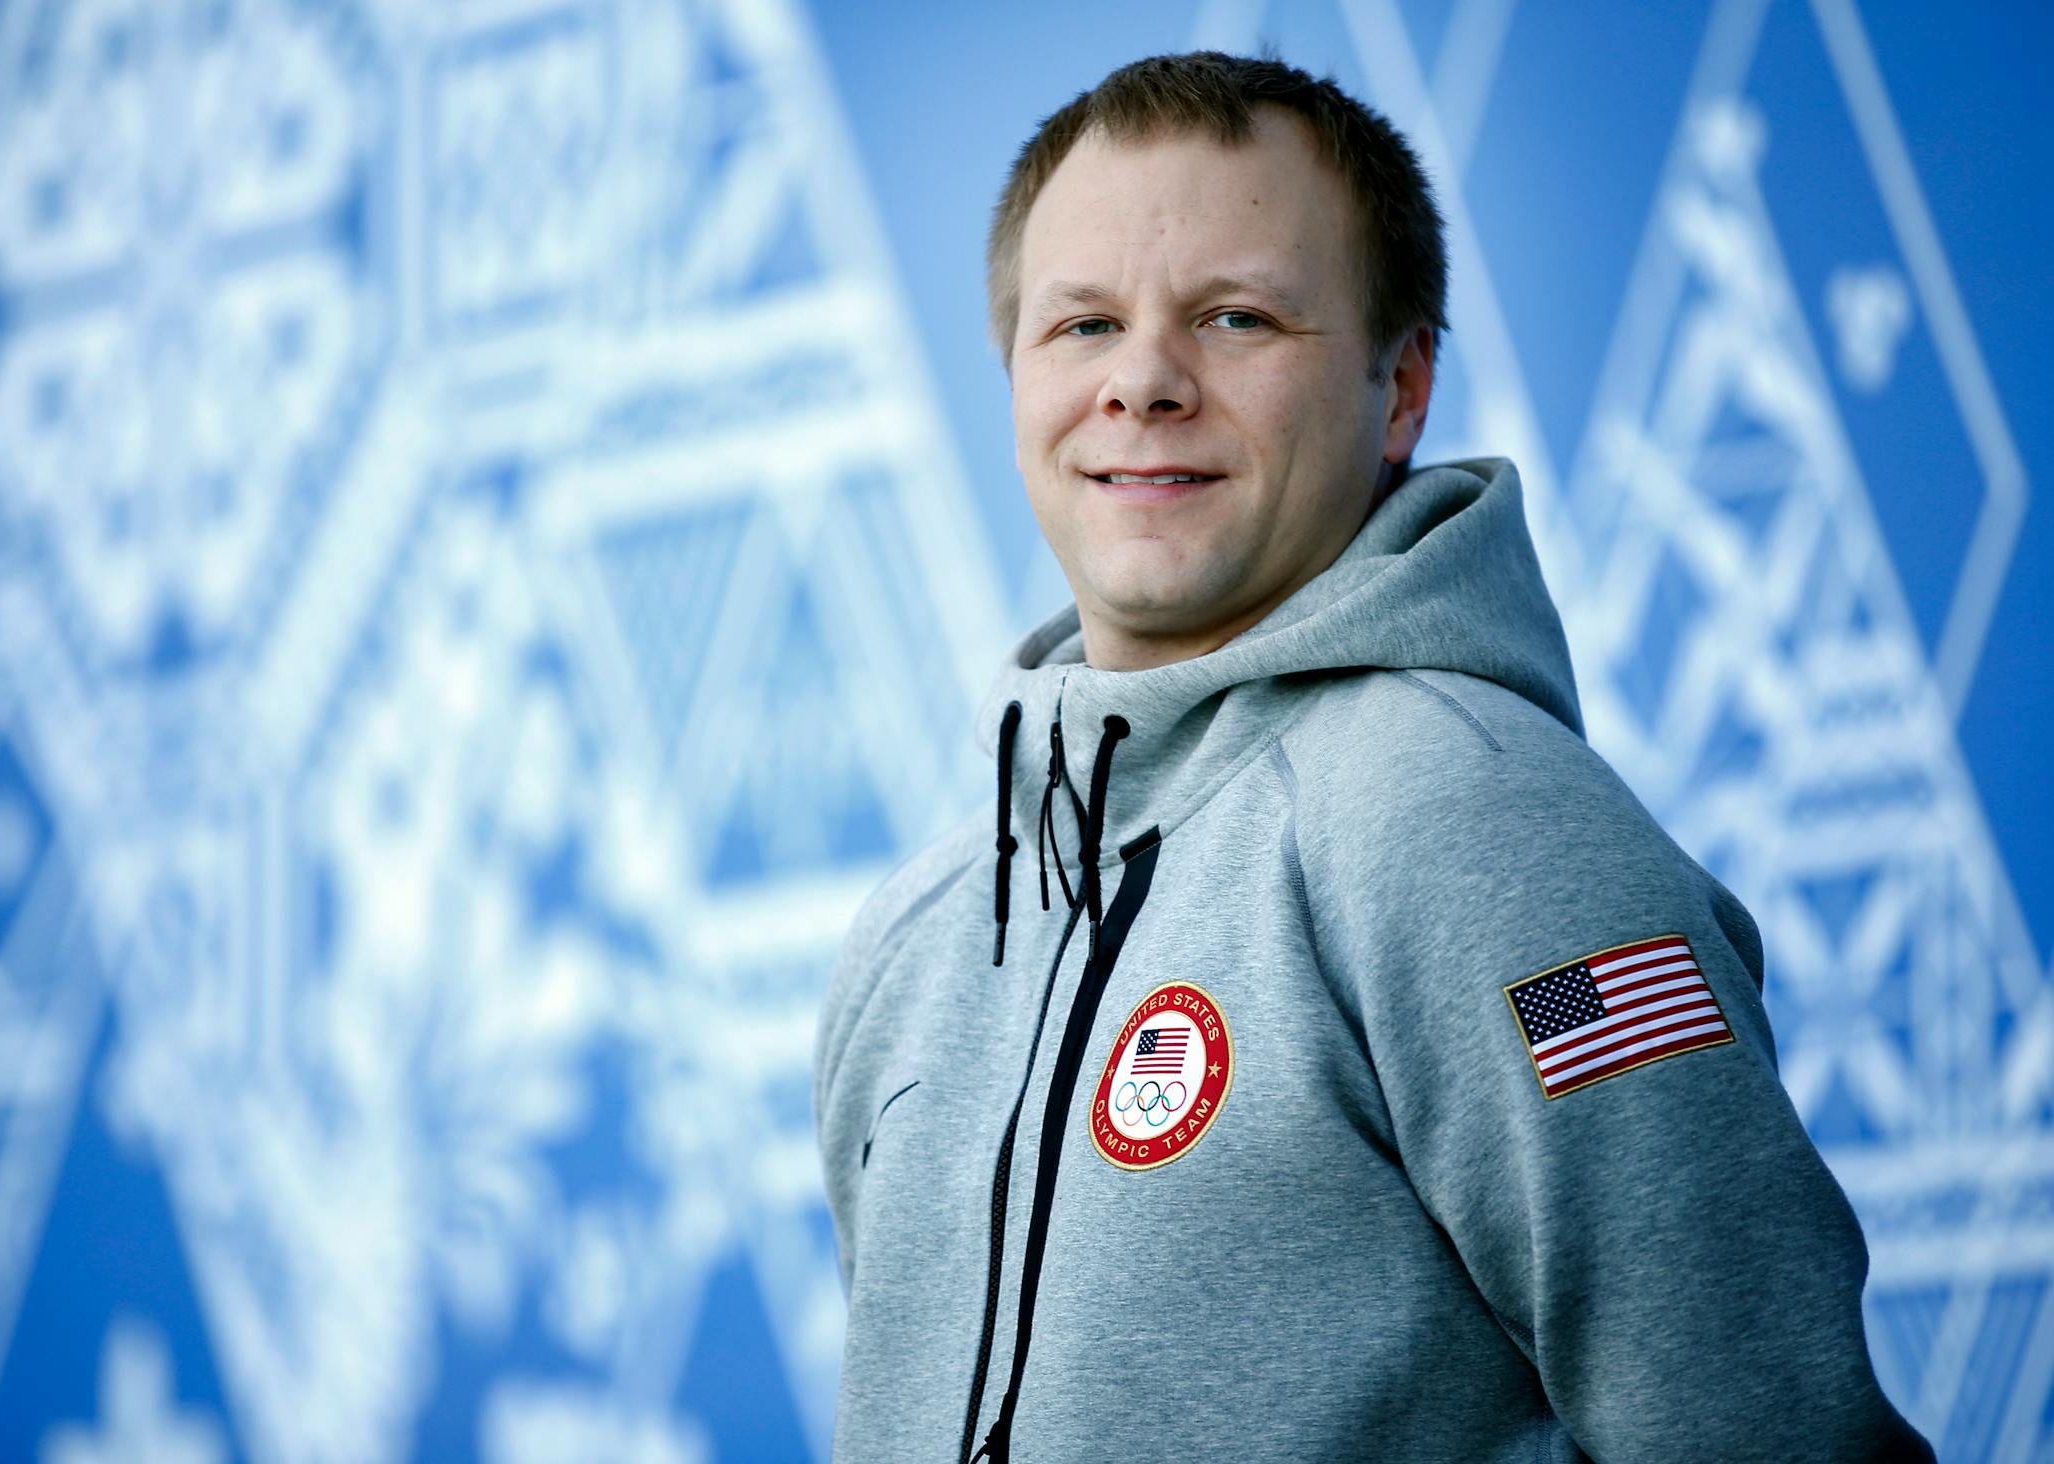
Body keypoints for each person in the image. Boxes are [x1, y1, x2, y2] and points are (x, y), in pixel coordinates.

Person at [812, 48, 1931, 1463]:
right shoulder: (914, 939)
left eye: (1235, 317)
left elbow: (1760, 1425)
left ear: (1400, 389)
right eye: (1082, 325)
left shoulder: (1487, 829)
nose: (1143, 382)